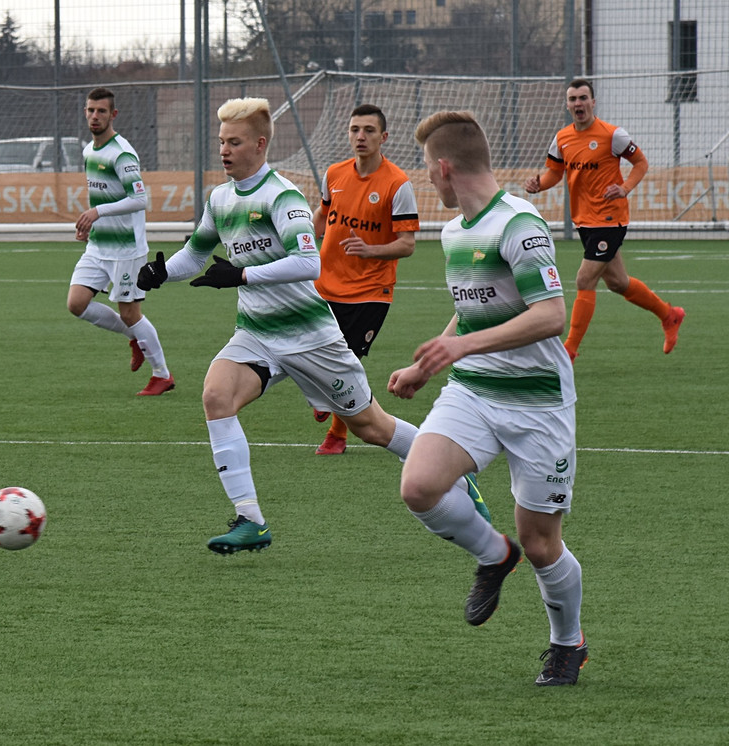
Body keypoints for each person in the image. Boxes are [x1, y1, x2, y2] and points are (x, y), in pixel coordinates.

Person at [137, 97, 482, 555]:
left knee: (371, 427)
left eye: (234, 142)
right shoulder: (220, 199)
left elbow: (308, 261)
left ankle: (456, 472)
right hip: (257, 332)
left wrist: (240, 275)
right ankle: (251, 520)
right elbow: (197, 254)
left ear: (260, 145)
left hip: (310, 336)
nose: (224, 150)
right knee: (216, 396)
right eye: (221, 141)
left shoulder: (282, 196)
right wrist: (162, 273)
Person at [389, 110, 586, 686]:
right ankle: (493, 554)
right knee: (420, 486)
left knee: (543, 542)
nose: (429, 180)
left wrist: (460, 345)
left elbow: (551, 316)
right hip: (473, 391)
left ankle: (566, 643)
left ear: (446, 167)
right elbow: (475, 307)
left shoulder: (519, 225)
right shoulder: (453, 232)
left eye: (429, 169)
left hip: (538, 404)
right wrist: (434, 358)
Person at [524, 78, 684, 361]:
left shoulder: (613, 135)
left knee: (584, 279)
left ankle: (569, 350)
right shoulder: (562, 138)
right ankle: (669, 315)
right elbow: (554, 173)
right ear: (568, 105)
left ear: (593, 102)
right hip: (584, 220)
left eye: (583, 98)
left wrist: (624, 189)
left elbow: (641, 163)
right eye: (573, 99)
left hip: (610, 219)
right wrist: (540, 183)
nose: (578, 104)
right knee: (618, 283)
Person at [311, 103, 418, 455]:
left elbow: (407, 245)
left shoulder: (397, 184)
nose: (361, 136)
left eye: (369, 130)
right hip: (325, 285)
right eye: (355, 129)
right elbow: (321, 218)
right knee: (305, 350)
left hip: (371, 291)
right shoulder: (334, 174)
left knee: (349, 360)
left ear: (383, 137)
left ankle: (336, 435)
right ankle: (323, 393)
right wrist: (300, 248)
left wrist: (370, 251)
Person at [67, 87, 173, 396]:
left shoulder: (122, 153)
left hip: (127, 248)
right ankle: (135, 338)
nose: (94, 116)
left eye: (101, 111)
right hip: (99, 246)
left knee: (130, 313)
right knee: (76, 304)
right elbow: (101, 193)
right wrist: (90, 225)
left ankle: (162, 375)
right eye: (90, 110)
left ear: (113, 115)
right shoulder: (89, 151)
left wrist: (96, 212)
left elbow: (139, 199)